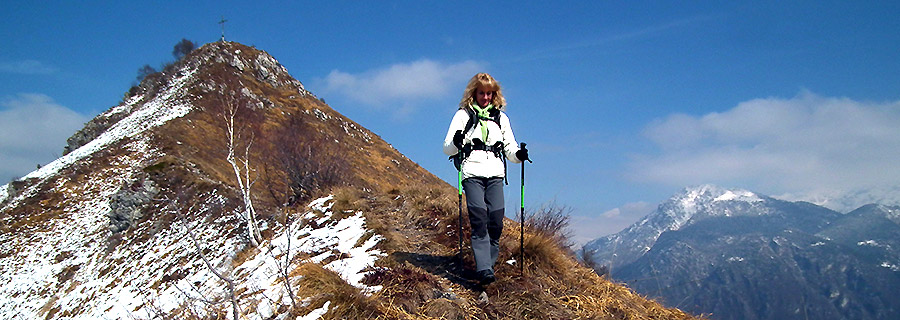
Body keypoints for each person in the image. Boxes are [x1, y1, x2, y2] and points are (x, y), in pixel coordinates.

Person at [443, 73, 529, 285]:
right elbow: (447, 148)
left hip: (495, 174)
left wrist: (519, 156)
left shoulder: (501, 118)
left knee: (496, 222)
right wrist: (457, 142)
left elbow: (509, 147)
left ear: (494, 94)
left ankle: (487, 265)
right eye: (482, 93)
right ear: (474, 93)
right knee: (479, 220)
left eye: (489, 93)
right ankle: (484, 270)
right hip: (471, 173)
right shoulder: (463, 115)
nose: (486, 97)